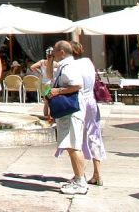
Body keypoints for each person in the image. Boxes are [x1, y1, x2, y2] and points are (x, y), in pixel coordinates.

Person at [48, 40, 87, 195]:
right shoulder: (65, 65)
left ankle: (80, 183)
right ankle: (79, 177)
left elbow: (77, 85)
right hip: (69, 112)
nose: (53, 54)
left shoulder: (69, 66)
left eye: (55, 52)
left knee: (73, 146)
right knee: (73, 145)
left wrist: (58, 92)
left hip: (72, 111)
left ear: (62, 52)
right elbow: (50, 76)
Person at [70, 41, 106, 187]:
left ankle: (80, 174)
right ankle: (98, 173)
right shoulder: (88, 62)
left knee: (77, 138)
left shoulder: (71, 66)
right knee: (94, 135)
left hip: (78, 102)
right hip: (91, 101)